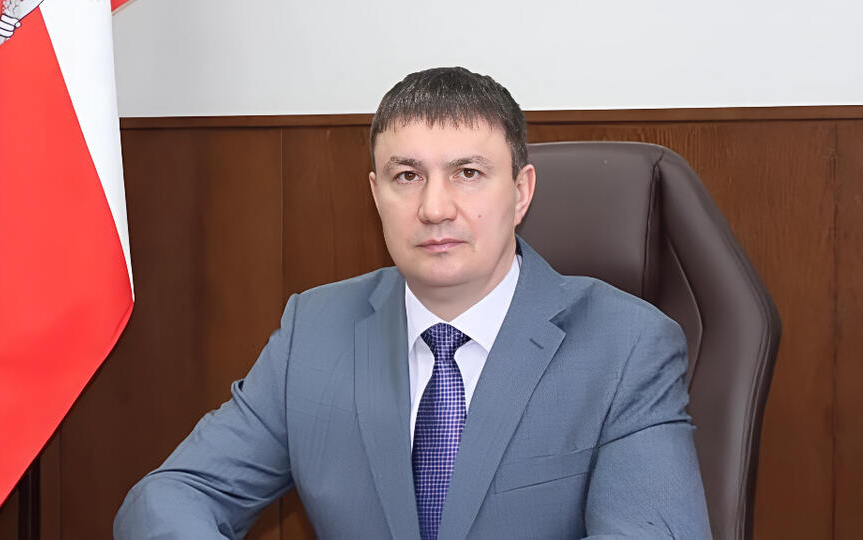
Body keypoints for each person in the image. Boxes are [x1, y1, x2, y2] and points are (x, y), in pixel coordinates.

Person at [114, 67, 712, 539]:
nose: (434, 208)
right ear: (376, 194)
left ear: (520, 192)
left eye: (468, 173)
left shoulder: (627, 346)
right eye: (407, 176)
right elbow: (168, 498)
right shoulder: (313, 332)